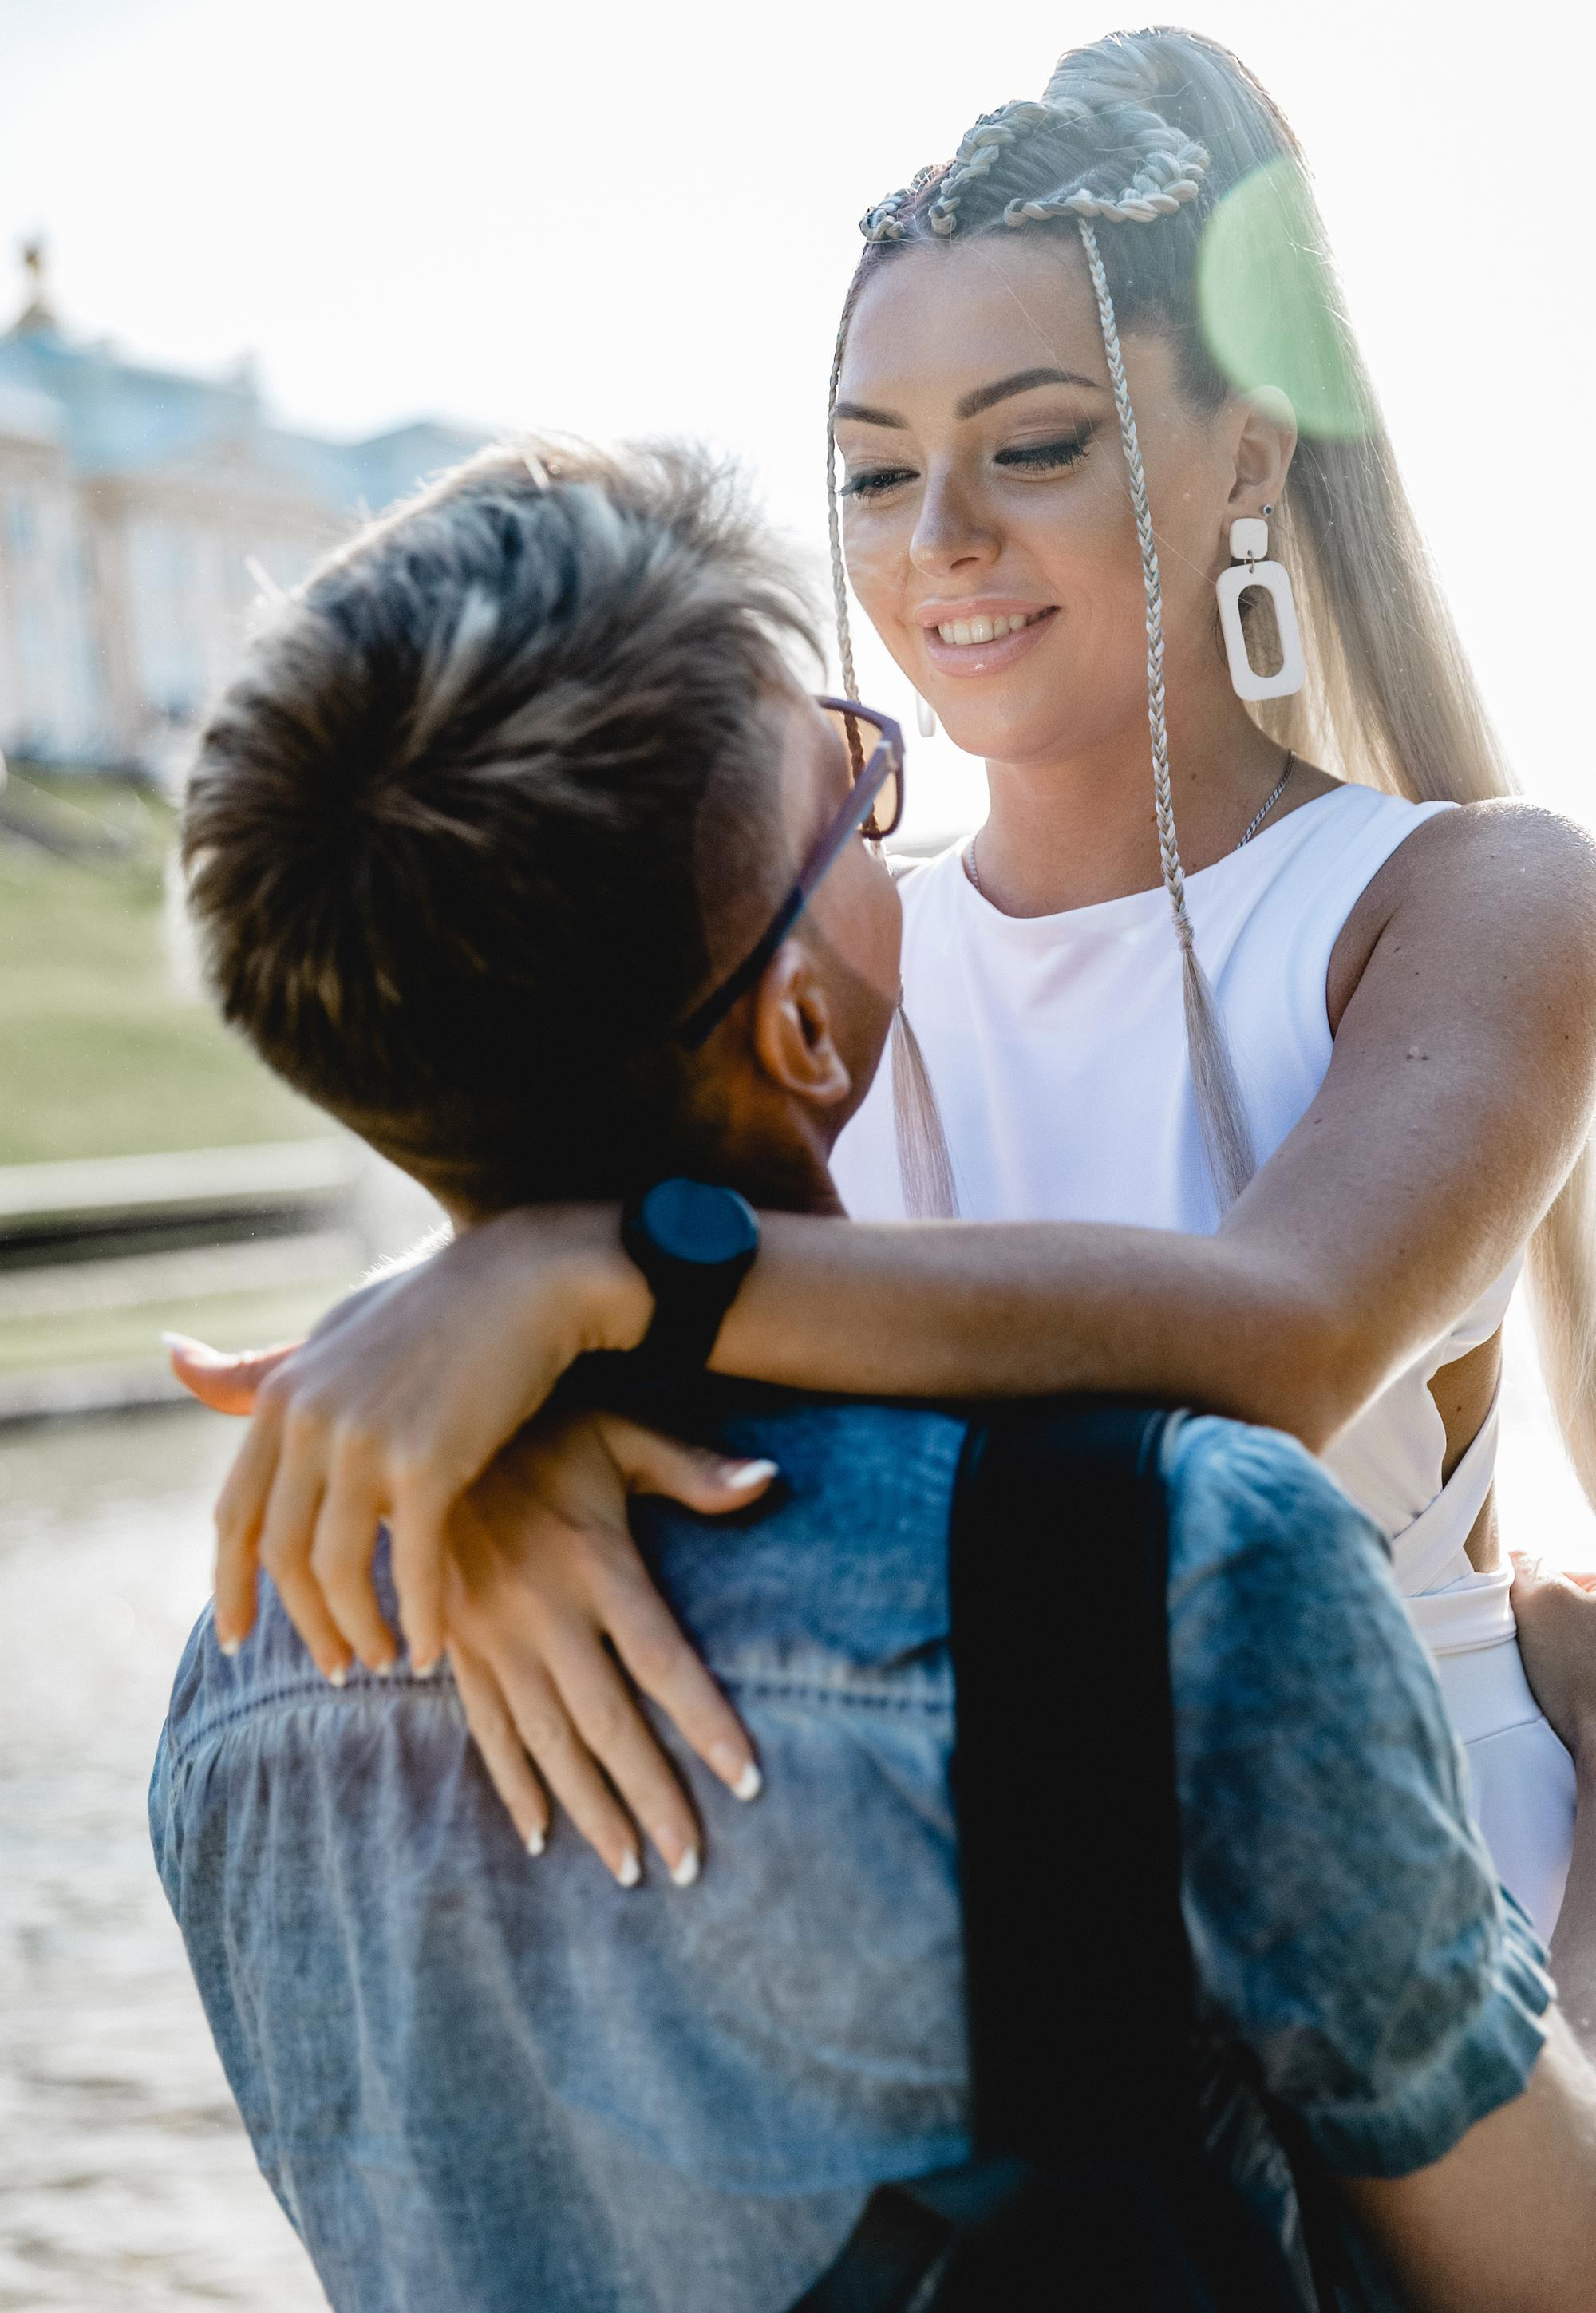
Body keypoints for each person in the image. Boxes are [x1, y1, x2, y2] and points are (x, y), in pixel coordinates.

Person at [156, 435, 1596, 2313]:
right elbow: (1554, 2304)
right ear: (808, 1023)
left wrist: (530, 1276)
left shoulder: (247, 1670)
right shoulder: (1162, 1566)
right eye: (848, 774)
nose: (885, 777)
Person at [177, 26, 1596, 1943]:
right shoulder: (825, 959)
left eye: (1033, 448)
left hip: (1448, 1934)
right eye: (870, 472)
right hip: (994, 1950)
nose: (940, 543)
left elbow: (1280, 1337)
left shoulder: (1470, 897)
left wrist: (597, 1284)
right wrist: (508, 1441)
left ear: (1246, 452)